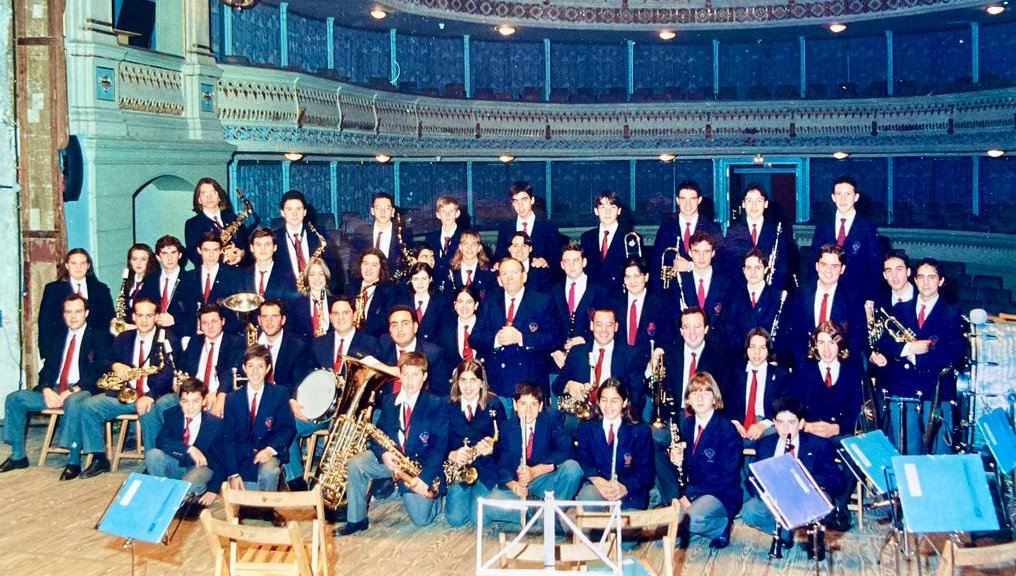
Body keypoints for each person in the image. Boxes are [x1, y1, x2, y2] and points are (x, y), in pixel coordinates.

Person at [337, 351, 449, 534]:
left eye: (415, 375)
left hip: (420, 468)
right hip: (394, 461)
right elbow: (376, 435)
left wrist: (425, 479)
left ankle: (436, 501)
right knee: (357, 464)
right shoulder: (390, 402)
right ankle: (356, 519)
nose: (410, 380)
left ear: (424, 377)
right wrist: (383, 453)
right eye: (405, 375)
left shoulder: (437, 404)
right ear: (399, 374)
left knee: (421, 520)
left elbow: (439, 447)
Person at [0, 294, 109, 474]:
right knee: (15, 399)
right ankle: (18, 456)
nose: (73, 316)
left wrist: (73, 389)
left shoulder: (99, 337)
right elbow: (47, 369)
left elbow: (99, 371)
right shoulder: (58, 338)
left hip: (83, 390)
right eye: (68, 312)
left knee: (73, 401)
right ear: (64, 315)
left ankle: (73, 461)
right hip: (57, 389)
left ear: (86, 313)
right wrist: (47, 389)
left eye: (78, 312)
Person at [76, 297, 179, 479]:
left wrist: (151, 395)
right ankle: (99, 457)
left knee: (147, 410)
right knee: (88, 406)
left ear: (156, 317)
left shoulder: (168, 338)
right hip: (124, 393)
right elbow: (104, 359)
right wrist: (115, 365)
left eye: (149, 315)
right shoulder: (124, 337)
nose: (144, 320)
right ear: (133, 317)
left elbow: (168, 372)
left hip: (151, 395)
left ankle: (151, 461)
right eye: (140, 315)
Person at [873, 258, 964, 455]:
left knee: (940, 456)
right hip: (903, 392)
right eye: (921, 277)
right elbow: (883, 342)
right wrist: (909, 348)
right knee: (906, 453)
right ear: (914, 280)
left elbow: (954, 354)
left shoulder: (951, 314)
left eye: (932, 277)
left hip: (936, 394)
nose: (926, 282)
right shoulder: (899, 309)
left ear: (941, 281)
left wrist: (918, 360)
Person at [649, 306, 728, 506]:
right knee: (652, 438)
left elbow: (725, 394)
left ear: (706, 329)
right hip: (674, 419)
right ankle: (673, 499)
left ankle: (693, 498)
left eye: (697, 326)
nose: (692, 332)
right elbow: (651, 390)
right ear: (681, 330)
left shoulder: (720, 354)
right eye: (687, 327)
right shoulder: (669, 353)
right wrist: (651, 368)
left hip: (705, 419)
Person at [741, 396, 844, 539]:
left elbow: (835, 480)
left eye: (791, 422)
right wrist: (765, 494)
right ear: (774, 423)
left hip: (803, 497)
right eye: (780, 422)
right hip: (775, 499)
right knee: (749, 511)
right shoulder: (765, 444)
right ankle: (786, 533)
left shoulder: (819, 444)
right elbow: (753, 477)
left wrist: (805, 484)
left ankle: (805, 531)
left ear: (801, 423)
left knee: (823, 506)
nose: (785, 428)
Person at [483, 382, 582, 525]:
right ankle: (537, 513)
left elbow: (567, 451)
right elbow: (503, 465)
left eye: (533, 404)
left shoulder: (552, 418)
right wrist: (514, 486)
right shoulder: (507, 427)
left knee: (573, 469)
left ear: (541, 406)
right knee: (490, 505)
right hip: (521, 483)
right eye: (523, 404)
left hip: (546, 479)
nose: (528, 410)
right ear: (515, 405)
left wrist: (536, 471)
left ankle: (553, 514)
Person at [471, 257, 561, 403]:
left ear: (524, 276)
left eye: (514, 272)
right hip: (497, 383)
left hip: (531, 383)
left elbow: (554, 338)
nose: (510, 277)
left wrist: (522, 338)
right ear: (499, 280)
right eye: (504, 273)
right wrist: (496, 340)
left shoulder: (542, 301)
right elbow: (474, 338)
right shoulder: (489, 302)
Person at [667, 372, 741, 549]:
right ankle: (694, 528)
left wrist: (690, 496)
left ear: (714, 399)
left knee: (691, 520)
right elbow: (691, 464)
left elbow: (726, 476)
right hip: (695, 491)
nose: (699, 398)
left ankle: (723, 526)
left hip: (720, 493)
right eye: (694, 393)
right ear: (688, 400)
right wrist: (676, 458)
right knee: (669, 523)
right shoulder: (688, 424)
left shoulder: (727, 429)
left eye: (705, 392)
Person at [221, 344, 296, 491]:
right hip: (242, 456)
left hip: (268, 452)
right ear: (244, 368)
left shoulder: (280, 394)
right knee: (246, 500)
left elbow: (287, 429)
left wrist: (270, 449)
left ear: (268, 369)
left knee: (269, 472)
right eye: (250, 366)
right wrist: (233, 473)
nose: (255, 372)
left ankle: (267, 512)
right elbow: (228, 438)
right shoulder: (232, 398)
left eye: (260, 366)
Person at [556, 308, 645, 430]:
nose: (604, 330)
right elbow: (557, 386)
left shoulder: (630, 354)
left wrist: (616, 414)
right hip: (582, 419)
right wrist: (568, 385)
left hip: (616, 417)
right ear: (591, 326)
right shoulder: (577, 352)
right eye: (599, 324)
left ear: (616, 327)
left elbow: (637, 395)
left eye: (609, 325)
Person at [443, 358, 507, 527]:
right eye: (463, 380)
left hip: (486, 468)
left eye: (473, 380)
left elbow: (506, 443)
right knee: (455, 519)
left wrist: (493, 448)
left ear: (481, 383)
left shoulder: (494, 404)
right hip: (459, 469)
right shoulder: (446, 405)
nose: (468, 386)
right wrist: (452, 454)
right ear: (457, 382)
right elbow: (437, 441)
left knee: (479, 519)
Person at [145, 377, 225, 508]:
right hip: (178, 462)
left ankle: (181, 494)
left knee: (188, 485)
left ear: (204, 401)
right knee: (153, 455)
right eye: (185, 401)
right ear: (179, 401)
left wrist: (213, 490)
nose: (190, 407)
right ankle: (165, 490)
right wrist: (188, 448)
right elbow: (161, 441)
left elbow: (222, 459)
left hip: (201, 467)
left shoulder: (215, 423)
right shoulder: (172, 414)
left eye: (195, 401)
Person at [575, 378, 654, 510]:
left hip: (628, 492)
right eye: (604, 400)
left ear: (625, 402)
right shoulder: (586, 428)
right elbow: (584, 461)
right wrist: (597, 480)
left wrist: (625, 487)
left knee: (625, 526)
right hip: (597, 487)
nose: (608, 406)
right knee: (587, 502)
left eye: (614, 401)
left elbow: (646, 473)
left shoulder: (640, 431)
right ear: (598, 402)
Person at [787, 244, 867, 365]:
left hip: (840, 365)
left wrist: (837, 362)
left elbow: (857, 336)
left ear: (842, 269)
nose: (828, 270)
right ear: (817, 266)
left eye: (834, 266)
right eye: (824, 265)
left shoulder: (853, 298)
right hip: (807, 365)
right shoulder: (802, 294)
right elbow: (795, 333)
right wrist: (803, 362)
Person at [810, 176, 882, 304]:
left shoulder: (868, 228)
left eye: (848, 194)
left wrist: (871, 299)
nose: (843, 199)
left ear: (856, 197)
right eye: (839, 194)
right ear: (833, 197)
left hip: (857, 296)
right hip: (827, 294)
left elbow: (874, 267)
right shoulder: (822, 226)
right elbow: (813, 262)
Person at [722, 328, 792, 445]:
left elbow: (782, 406)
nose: (757, 352)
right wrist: (735, 423)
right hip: (739, 420)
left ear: (768, 350)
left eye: (762, 348)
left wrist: (762, 425)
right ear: (747, 348)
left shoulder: (780, 375)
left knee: (770, 439)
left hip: (767, 421)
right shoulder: (734, 372)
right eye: (753, 347)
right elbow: (727, 402)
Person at [650, 180, 722, 294]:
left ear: (699, 200)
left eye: (692, 199)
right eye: (683, 199)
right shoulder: (666, 228)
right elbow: (655, 265)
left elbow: (720, 263)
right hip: (672, 295)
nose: (687, 204)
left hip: (700, 292)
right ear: (677, 200)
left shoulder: (713, 229)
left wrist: (691, 266)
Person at [38, 248, 114, 350]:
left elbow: (109, 320)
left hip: (94, 349)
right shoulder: (53, 290)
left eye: (82, 263)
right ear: (67, 265)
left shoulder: (101, 290)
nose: (78, 267)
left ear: (88, 266)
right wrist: (45, 352)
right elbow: (44, 322)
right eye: (74, 263)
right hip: (61, 348)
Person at [180, 304, 245, 417]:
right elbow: (183, 366)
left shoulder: (235, 342)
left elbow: (232, 373)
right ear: (200, 325)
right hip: (192, 394)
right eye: (205, 323)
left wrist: (219, 393)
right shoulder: (195, 341)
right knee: (164, 404)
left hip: (220, 393)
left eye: (214, 321)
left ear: (222, 321)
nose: (210, 327)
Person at [550, 243, 606, 372]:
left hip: (588, 357)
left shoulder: (600, 290)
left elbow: (606, 325)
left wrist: (584, 338)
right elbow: (547, 324)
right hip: (558, 360)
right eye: (567, 261)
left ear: (584, 262)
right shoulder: (553, 290)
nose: (571, 265)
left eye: (576, 260)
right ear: (562, 265)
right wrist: (554, 350)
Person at [608, 258, 674, 368]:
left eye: (637, 276)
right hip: (618, 365)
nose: (632, 281)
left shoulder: (661, 305)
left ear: (646, 277)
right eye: (628, 277)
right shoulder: (613, 305)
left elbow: (667, 337)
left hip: (648, 365)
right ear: (624, 280)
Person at [719, 248, 786, 354]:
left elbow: (782, 334)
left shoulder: (778, 298)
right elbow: (727, 331)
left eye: (758, 268)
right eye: (749, 268)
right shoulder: (732, 297)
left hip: (768, 358)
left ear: (765, 269)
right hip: (738, 359)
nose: (753, 272)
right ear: (743, 270)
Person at [723, 184, 789, 290]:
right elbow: (730, 265)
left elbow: (782, 265)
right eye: (749, 201)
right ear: (743, 204)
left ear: (766, 204)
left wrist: (772, 291)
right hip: (740, 292)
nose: (754, 206)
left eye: (758, 201)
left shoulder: (776, 231)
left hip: (769, 291)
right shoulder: (734, 231)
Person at [375, 305, 450, 398]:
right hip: (384, 407)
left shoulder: (432, 354)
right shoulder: (384, 345)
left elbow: (441, 394)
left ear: (415, 327)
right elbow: (357, 354)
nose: (400, 329)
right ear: (390, 330)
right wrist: (387, 369)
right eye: (394, 325)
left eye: (405, 323)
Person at [580, 189, 641, 299]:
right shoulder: (587, 238)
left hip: (620, 298)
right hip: (593, 298)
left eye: (612, 207)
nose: (607, 212)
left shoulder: (631, 238)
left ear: (619, 211)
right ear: (596, 211)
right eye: (603, 207)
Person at [274, 189, 338, 292]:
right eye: (289, 209)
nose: (294, 214)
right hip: (286, 299)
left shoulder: (319, 235)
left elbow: (332, 270)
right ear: (282, 212)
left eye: (298, 209)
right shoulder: (274, 238)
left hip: (317, 293)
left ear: (304, 212)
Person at [494, 181, 563, 267]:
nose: (520, 205)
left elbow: (556, 259)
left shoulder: (548, 227)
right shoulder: (505, 228)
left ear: (532, 200)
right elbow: (499, 257)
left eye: (524, 200)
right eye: (516, 201)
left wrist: (545, 262)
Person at [184, 177, 248, 267]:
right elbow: (194, 256)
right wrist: (223, 258)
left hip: (237, 273)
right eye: (204, 193)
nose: (209, 197)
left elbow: (245, 246)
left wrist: (240, 254)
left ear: (219, 197)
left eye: (213, 192)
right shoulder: (192, 224)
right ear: (199, 199)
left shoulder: (233, 218)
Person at [677, 232, 733, 330]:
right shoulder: (679, 281)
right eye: (696, 251)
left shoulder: (726, 284)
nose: (701, 257)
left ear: (713, 253)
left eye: (706, 252)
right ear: (690, 252)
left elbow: (729, 321)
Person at [141, 235, 194, 336]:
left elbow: (195, 314)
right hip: (151, 334)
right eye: (165, 253)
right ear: (158, 257)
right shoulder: (150, 280)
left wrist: (175, 320)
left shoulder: (191, 280)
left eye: (173, 253)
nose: (170, 258)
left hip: (179, 336)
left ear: (180, 255)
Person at [349, 192, 412, 277]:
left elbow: (406, 265)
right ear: (372, 211)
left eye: (387, 208)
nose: (383, 212)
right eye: (378, 208)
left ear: (393, 211)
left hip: (394, 284)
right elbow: (353, 265)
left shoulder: (403, 234)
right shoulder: (361, 234)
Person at [309, 296, 379, 372]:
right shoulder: (318, 345)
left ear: (355, 316)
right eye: (336, 313)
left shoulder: (371, 345)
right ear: (331, 318)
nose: (340, 317)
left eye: (345, 313)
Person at [344, 248, 397, 338]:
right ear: (360, 265)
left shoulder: (390, 292)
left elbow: (385, 325)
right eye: (365, 263)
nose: (369, 268)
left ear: (381, 268)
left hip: (375, 342)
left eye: (374, 265)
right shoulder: (349, 289)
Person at [239, 227, 296, 302]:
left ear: (275, 247)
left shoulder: (288, 275)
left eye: (267, 244)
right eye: (258, 245)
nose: (263, 249)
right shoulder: (242, 276)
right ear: (251, 248)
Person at [111, 243, 156, 334]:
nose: (138, 263)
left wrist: (130, 327)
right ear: (130, 261)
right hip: (129, 328)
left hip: (145, 329)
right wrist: (115, 319)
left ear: (150, 261)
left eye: (143, 259)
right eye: (134, 259)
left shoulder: (154, 283)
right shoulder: (128, 280)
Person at [286, 256, 335, 339]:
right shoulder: (295, 306)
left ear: (326, 276)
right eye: (312, 275)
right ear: (307, 278)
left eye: (321, 274)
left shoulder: (336, 302)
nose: (317, 278)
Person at [398, 262, 447, 344]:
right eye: (416, 279)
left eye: (424, 279)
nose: (420, 283)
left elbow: (444, 334)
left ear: (430, 279)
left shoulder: (441, 303)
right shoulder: (402, 303)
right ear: (410, 280)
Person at [437, 285, 483, 369]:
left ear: (476, 305)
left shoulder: (485, 327)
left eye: (469, 302)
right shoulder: (445, 330)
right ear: (455, 305)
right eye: (460, 301)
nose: (464, 306)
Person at [441, 229, 496, 297]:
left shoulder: (489, 272)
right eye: (465, 244)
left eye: (473, 244)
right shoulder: (449, 270)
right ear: (460, 247)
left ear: (479, 248)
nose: (469, 248)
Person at [423, 195, 463, 285]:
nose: (447, 215)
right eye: (443, 211)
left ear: (457, 214)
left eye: (451, 211)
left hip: (457, 286)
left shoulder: (464, 237)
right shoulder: (431, 238)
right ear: (438, 214)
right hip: (435, 287)